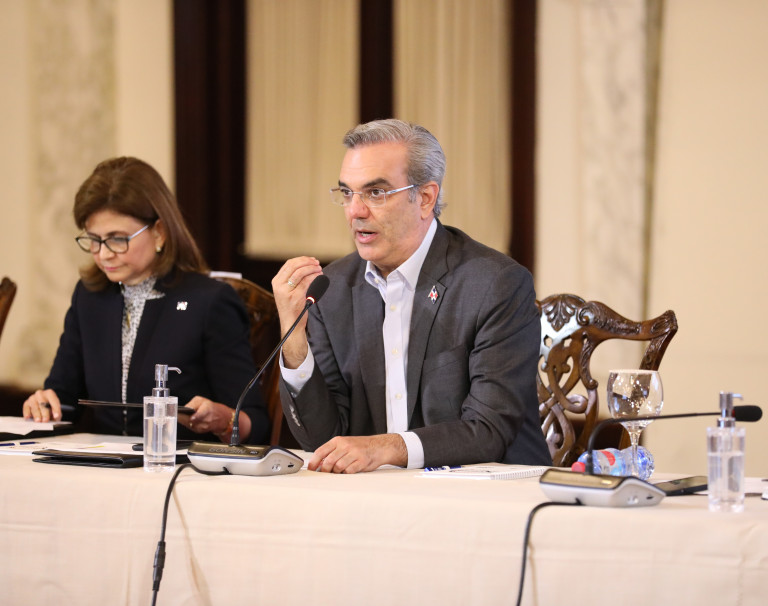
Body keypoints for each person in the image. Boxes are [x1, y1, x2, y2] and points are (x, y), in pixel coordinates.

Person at [272, 119, 551, 473]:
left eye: (376, 193)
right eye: (347, 193)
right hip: (379, 494)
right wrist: (294, 338)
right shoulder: (334, 289)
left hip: (490, 491)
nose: (355, 211)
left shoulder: (494, 284)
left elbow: (488, 431)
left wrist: (387, 448)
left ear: (425, 198)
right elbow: (321, 440)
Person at [23, 157, 270, 444]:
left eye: (117, 239)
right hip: (104, 462)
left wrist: (225, 420)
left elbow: (256, 424)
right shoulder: (89, 297)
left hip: (182, 464)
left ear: (159, 232)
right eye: (94, 240)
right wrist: (44, 404)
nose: (103, 254)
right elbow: (63, 397)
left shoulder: (209, 301)